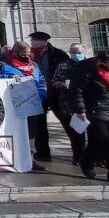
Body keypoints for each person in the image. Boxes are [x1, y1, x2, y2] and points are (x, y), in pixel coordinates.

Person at [67, 50, 109, 185]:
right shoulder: (87, 70)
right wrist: (80, 109)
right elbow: (76, 91)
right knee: (101, 140)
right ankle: (87, 160)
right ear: (101, 61)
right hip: (94, 110)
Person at [0, 40, 48, 172]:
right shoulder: (2, 63)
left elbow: (41, 80)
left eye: (28, 54)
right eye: (23, 54)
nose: (27, 57)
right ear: (14, 52)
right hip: (12, 104)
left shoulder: (33, 65)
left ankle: (30, 159)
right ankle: (12, 158)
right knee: (14, 132)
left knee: (31, 133)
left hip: (32, 103)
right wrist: (8, 77)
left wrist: (41, 94)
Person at [29, 31, 70, 161]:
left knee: (67, 121)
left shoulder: (57, 54)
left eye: (36, 40)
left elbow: (67, 70)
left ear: (45, 41)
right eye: (32, 39)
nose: (33, 42)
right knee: (40, 126)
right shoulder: (28, 54)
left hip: (55, 93)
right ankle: (42, 153)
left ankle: (79, 152)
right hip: (38, 94)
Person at [50, 42, 88, 165]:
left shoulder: (90, 64)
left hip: (88, 103)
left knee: (93, 132)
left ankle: (94, 157)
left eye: (79, 52)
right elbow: (55, 81)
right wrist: (64, 85)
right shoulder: (64, 65)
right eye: (73, 52)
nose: (76, 55)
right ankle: (78, 156)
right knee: (75, 132)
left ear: (84, 52)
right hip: (68, 104)